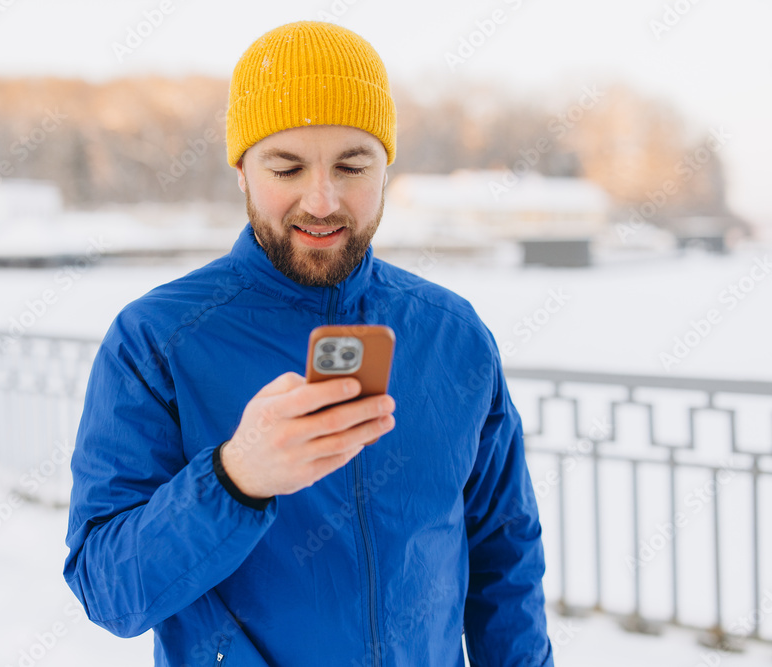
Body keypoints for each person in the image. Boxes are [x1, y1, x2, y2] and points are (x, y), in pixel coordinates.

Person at [64, 20, 553, 667]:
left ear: (387, 169)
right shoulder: (155, 340)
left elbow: (505, 560)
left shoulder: (455, 334)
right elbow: (107, 588)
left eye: (352, 165)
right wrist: (235, 477)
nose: (321, 201)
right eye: (286, 167)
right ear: (242, 171)